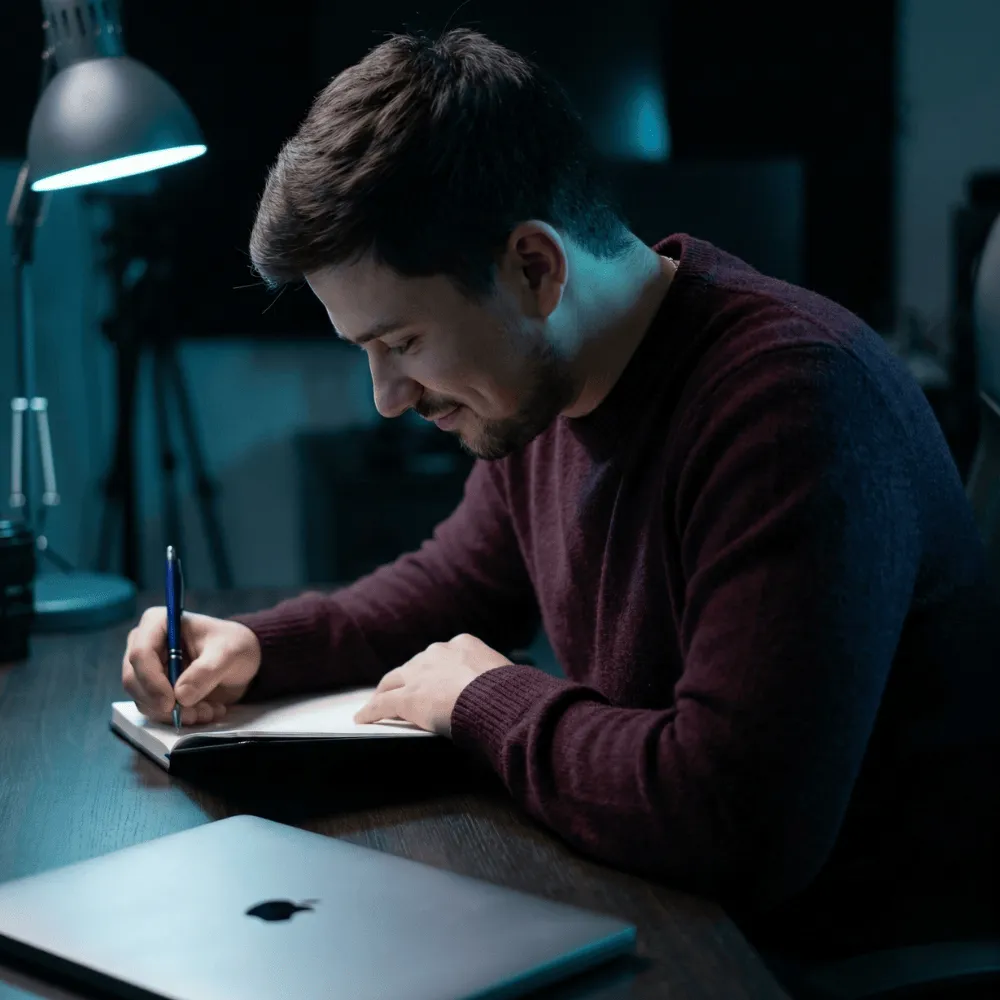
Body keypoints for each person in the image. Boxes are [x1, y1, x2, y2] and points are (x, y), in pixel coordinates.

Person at [122, 29, 999, 963]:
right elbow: (451, 583)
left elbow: (736, 825)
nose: (385, 400)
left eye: (404, 343)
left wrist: (486, 698)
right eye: (364, 352)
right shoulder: (548, 388)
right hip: (679, 908)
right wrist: (261, 645)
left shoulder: (792, 403)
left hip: (827, 960)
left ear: (535, 267)